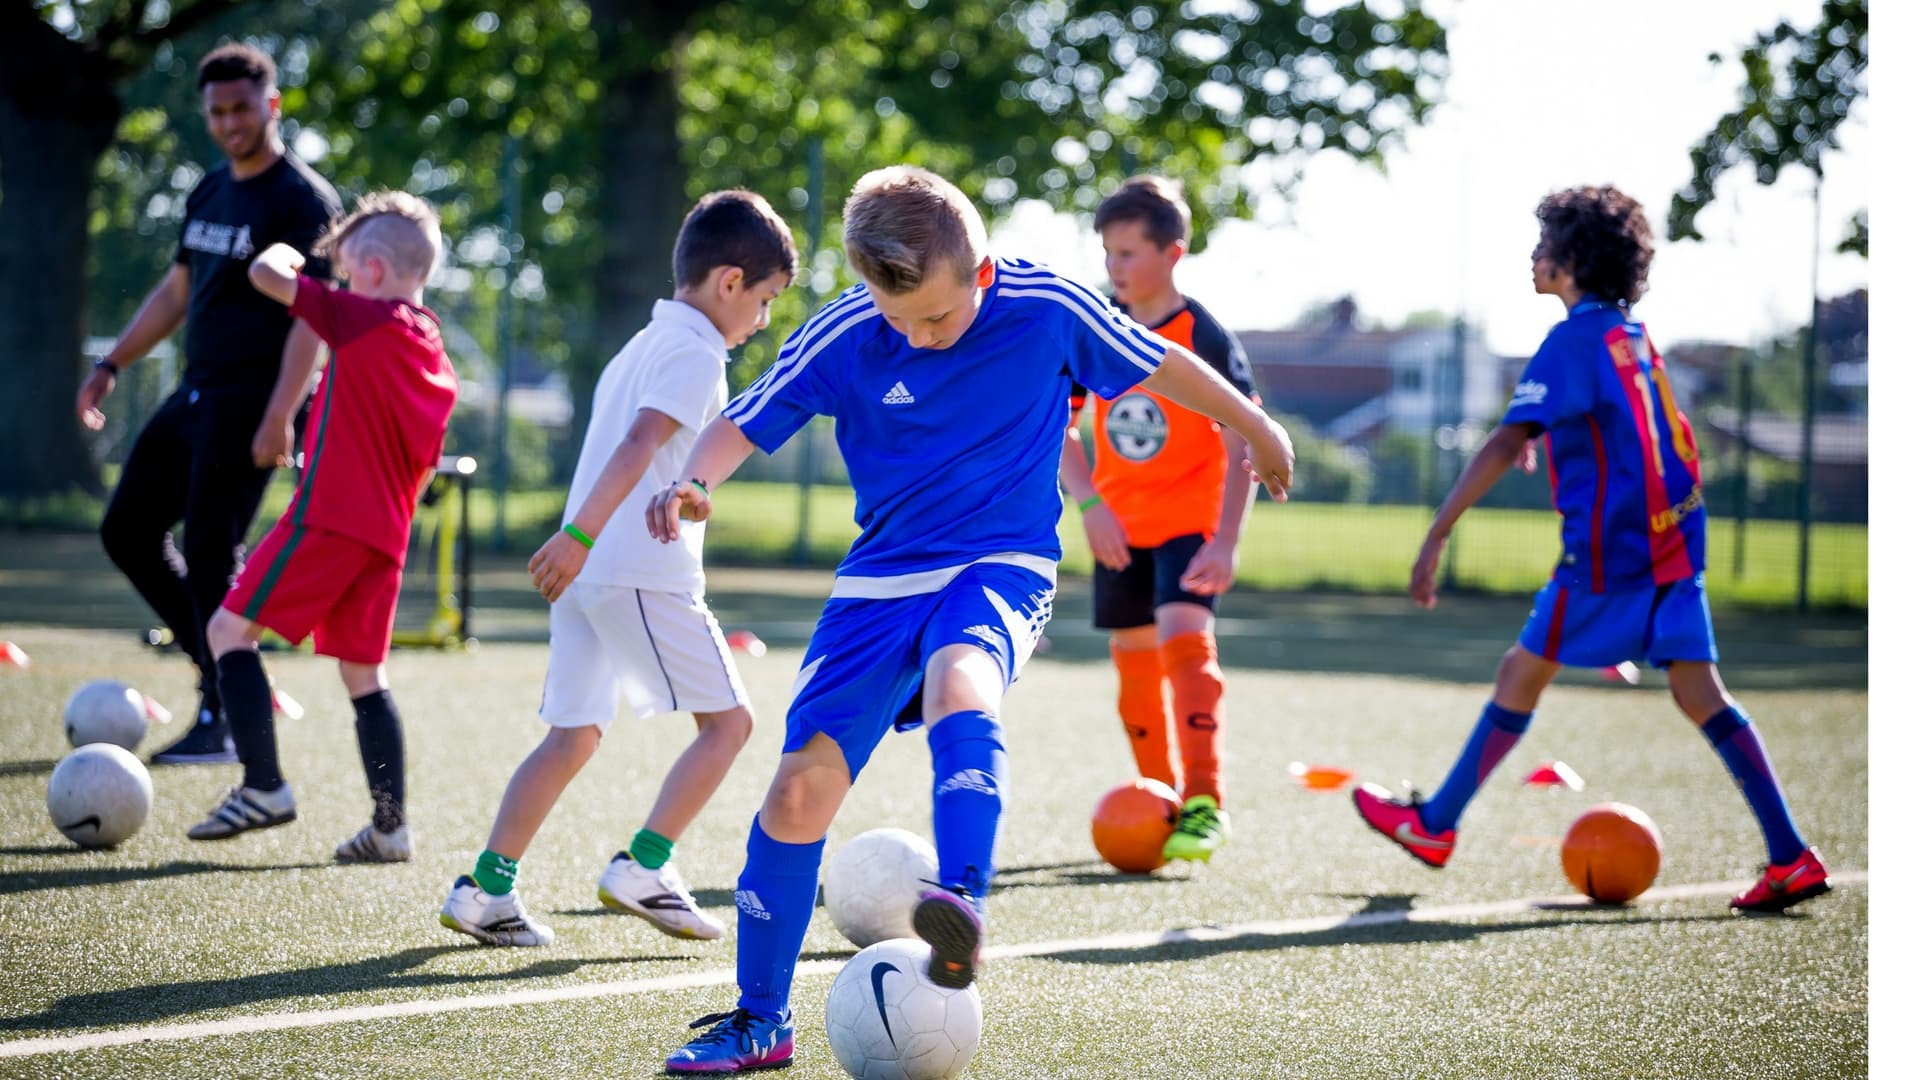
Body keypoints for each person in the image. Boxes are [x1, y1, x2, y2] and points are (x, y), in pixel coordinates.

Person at [647, 165, 1295, 1073]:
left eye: (939, 319)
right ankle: (760, 1019)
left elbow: (1169, 366)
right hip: (878, 581)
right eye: (898, 319)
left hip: (1001, 560)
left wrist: (1259, 431)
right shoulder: (846, 328)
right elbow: (746, 422)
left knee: (962, 681)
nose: (918, 336)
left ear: (982, 273)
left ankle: (960, 901)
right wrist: (693, 482)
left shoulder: (1048, 305)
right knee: (799, 791)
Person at [1351, 184, 1829, 913]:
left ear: (1571, 261)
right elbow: (1610, 424)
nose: (1534, 256)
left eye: (1544, 244)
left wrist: (1438, 530)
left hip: (1615, 553)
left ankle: (1435, 825)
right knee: (1700, 693)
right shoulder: (1628, 333)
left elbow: (1507, 436)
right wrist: (1556, 436)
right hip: (1677, 540)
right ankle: (1790, 854)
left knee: (1521, 672)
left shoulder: (1571, 339)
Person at [437, 191, 796, 948]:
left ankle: (484, 890)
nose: (762, 319)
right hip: (634, 570)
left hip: (593, 575)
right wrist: (577, 536)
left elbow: (646, 456)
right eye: (764, 300)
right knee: (730, 724)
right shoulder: (697, 353)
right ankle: (645, 867)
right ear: (729, 283)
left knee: (573, 737)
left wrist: (584, 543)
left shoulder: (642, 344)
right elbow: (637, 447)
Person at [77, 43, 340, 764]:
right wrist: (112, 364)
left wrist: (283, 412)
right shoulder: (208, 190)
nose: (228, 124)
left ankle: (224, 718)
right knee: (127, 531)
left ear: (272, 106)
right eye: (217, 112)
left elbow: (313, 317)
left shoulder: (303, 200)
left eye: (242, 109)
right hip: (195, 390)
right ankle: (230, 678)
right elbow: (177, 293)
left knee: (209, 547)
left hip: (254, 399)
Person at [184, 190, 457, 863]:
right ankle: (391, 828)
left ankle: (264, 786)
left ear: (366, 270)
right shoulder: (433, 348)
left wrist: (297, 253)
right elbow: (423, 467)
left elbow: (265, 275)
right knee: (365, 675)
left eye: (342, 266)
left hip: (329, 517)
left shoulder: (363, 318)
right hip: (385, 536)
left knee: (226, 630)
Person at [1058, 176, 1260, 863]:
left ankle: (1206, 803)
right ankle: (1161, 796)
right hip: (1120, 526)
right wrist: (1090, 509)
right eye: (1108, 255)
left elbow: (1244, 435)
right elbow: (1063, 427)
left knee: (1183, 639)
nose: (1114, 268)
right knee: (1133, 666)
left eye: (1127, 254)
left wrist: (1227, 539)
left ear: (1172, 254)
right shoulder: (1097, 333)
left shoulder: (1200, 333)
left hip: (1190, 522)